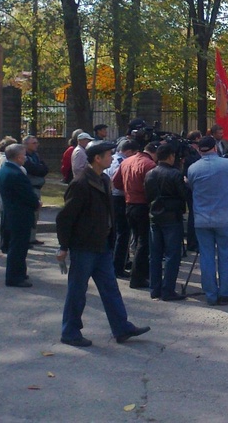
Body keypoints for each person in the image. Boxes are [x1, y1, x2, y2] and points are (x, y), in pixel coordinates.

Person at [55, 141, 150, 347]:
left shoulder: (104, 179)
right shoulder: (81, 183)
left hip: (103, 245)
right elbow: (64, 218)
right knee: (77, 291)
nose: (111, 157)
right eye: (108, 154)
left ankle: (121, 327)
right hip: (84, 247)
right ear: (97, 158)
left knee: (110, 288)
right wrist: (63, 246)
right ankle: (70, 332)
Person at [187, 136, 228, 305]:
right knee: (226, 255)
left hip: (202, 218)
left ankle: (210, 294)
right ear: (215, 148)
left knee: (206, 256)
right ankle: (226, 292)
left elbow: (191, 186)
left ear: (200, 149)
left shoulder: (193, 168)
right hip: (225, 218)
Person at [144, 143, 189, 301]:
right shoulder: (175, 174)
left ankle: (155, 288)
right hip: (171, 216)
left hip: (155, 215)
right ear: (171, 156)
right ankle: (168, 289)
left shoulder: (150, 173)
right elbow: (183, 194)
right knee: (172, 255)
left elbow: (147, 195)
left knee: (155, 254)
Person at [112, 141, 157, 289]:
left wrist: (128, 189)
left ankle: (134, 272)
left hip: (128, 203)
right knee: (143, 242)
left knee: (135, 239)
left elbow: (116, 182)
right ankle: (138, 276)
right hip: (142, 205)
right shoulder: (149, 165)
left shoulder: (126, 161)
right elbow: (153, 188)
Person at [0, 143, 40, 287]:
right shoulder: (15, 174)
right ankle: (15, 277)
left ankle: (19, 272)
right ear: (18, 156)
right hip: (20, 215)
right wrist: (36, 203)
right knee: (18, 247)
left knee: (18, 246)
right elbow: (27, 195)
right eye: (24, 155)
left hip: (13, 214)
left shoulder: (5, 170)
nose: (25, 157)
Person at [108, 139, 137, 278]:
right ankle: (117, 266)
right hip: (119, 198)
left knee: (121, 232)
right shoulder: (120, 162)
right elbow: (117, 182)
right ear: (129, 152)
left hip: (114, 197)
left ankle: (123, 260)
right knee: (123, 233)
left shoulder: (113, 158)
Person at [22, 135, 48, 245]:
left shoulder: (36, 156)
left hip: (37, 188)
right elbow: (33, 170)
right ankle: (26, 238)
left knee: (36, 214)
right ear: (26, 145)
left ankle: (32, 237)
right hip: (30, 188)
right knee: (29, 214)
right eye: (34, 143)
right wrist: (39, 169)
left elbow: (45, 169)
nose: (37, 145)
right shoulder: (24, 157)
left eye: (36, 142)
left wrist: (39, 169)